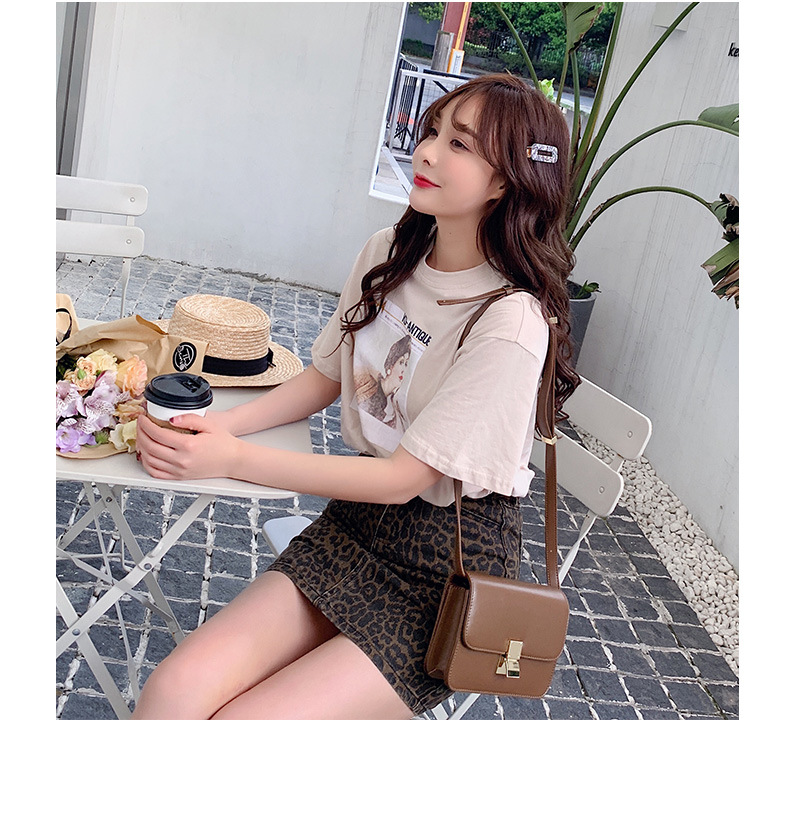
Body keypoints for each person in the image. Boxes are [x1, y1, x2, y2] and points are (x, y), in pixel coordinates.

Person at [132, 73, 579, 720]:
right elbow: (327, 376)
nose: (426, 152)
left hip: (444, 575)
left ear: (506, 181)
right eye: (431, 132)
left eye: (459, 144)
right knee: (172, 692)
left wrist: (233, 460)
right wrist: (225, 430)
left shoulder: (510, 321)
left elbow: (403, 480)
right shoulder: (389, 253)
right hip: (356, 527)